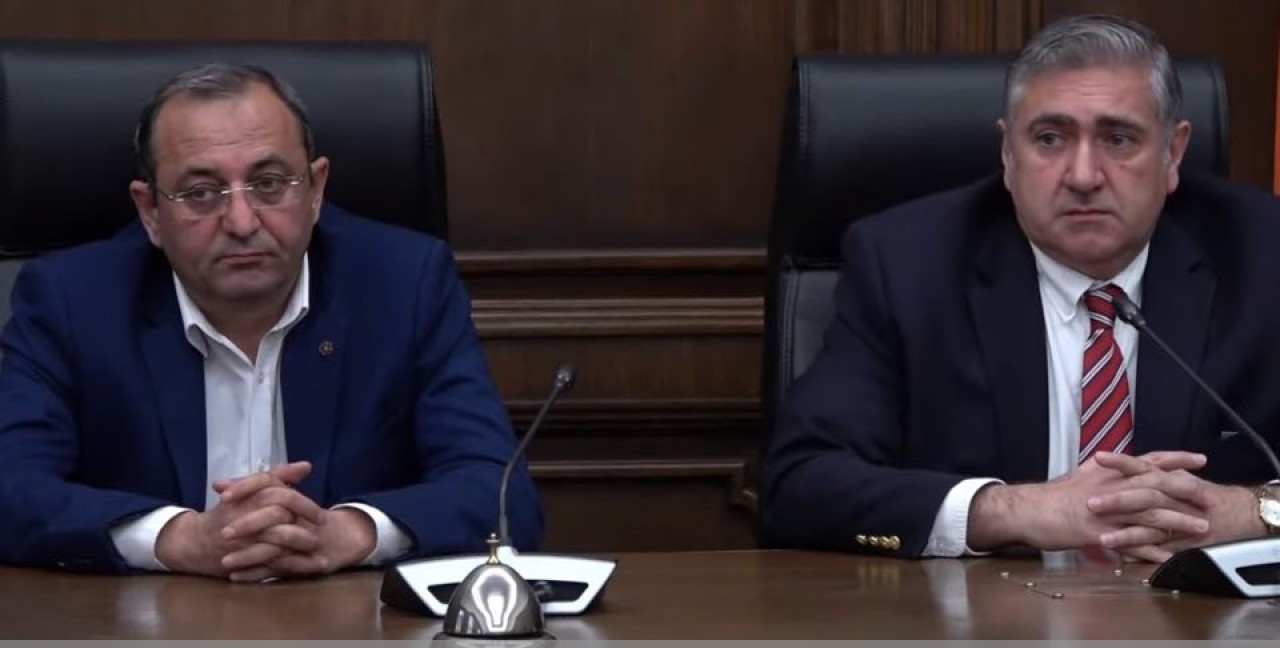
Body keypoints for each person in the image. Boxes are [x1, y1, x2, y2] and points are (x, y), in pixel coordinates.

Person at [761, 14, 1280, 563]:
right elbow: (800, 483)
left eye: (1118, 139)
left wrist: (1253, 511)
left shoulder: (1264, 258)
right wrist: (1015, 511)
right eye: (1050, 139)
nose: (1083, 175)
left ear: (1172, 153)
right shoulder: (907, 265)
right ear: (1008, 155)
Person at [0, 63, 542, 581]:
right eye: (201, 193)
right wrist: (176, 539)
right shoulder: (72, 301)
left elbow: (501, 495)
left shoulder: (404, 286)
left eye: (269, 183)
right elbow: (11, 485)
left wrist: (348, 533)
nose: (241, 222)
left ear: (316, 189)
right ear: (150, 212)